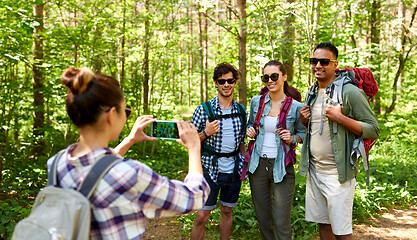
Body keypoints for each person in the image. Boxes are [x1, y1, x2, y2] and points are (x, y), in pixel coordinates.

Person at [48, 67, 210, 239]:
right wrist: (194, 148)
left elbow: (95, 170)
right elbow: (194, 197)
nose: (126, 117)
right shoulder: (131, 174)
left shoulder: (57, 163)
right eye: (126, 111)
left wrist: (129, 140)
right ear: (111, 115)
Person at [298, 42, 379, 240]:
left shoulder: (350, 92)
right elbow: (315, 130)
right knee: (324, 225)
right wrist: (304, 120)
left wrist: (341, 117)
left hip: (338, 174)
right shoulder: (312, 92)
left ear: (335, 64)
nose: (318, 65)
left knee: (341, 231)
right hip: (315, 171)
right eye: (314, 61)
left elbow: (373, 130)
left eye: (324, 61)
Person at [246, 60, 305, 240]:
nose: (270, 80)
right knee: (264, 220)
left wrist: (293, 138)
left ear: (284, 77)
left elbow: (304, 133)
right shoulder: (257, 102)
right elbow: (251, 124)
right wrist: (250, 130)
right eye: (266, 77)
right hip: (258, 166)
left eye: (274, 76)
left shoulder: (296, 106)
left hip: (282, 167)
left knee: (281, 222)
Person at [190, 62, 247, 240]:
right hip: (209, 169)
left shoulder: (241, 111)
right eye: (222, 81)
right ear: (215, 83)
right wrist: (205, 133)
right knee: (202, 216)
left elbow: (242, 143)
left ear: (235, 82)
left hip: (233, 170)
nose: (226, 85)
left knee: (227, 211)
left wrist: (244, 164)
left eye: (230, 80)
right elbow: (189, 141)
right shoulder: (203, 110)